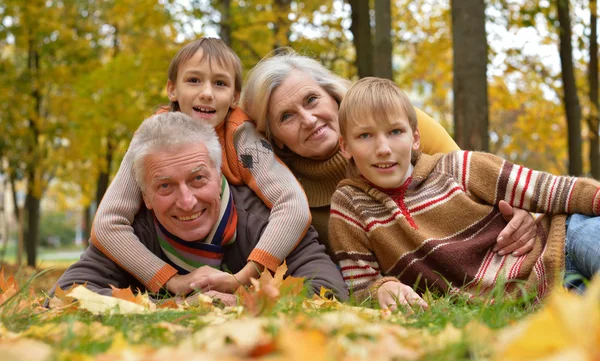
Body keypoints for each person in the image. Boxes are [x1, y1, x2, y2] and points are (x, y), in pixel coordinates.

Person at [328, 77, 600, 310]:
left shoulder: (457, 167)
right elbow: (361, 284)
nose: (383, 148)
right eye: (365, 136)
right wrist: (382, 289)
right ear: (345, 146)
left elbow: (545, 188)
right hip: (548, 295)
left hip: (563, 243)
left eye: (395, 132)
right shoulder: (351, 206)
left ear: (415, 138)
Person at [241, 48, 537, 255]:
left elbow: (477, 178)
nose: (308, 120)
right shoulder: (282, 190)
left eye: (311, 100)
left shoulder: (399, 124)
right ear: (276, 138)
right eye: (286, 117)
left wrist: (522, 212)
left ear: (333, 97)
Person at [90, 38, 312, 296]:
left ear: (234, 97)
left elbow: (293, 204)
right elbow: (108, 223)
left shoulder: (242, 136)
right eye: (194, 80)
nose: (206, 92)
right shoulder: (151, 139)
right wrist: (169, 280)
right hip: (166, 239)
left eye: (220, 83)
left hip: (238, 240)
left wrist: (245, 278)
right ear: (172, 89)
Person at [51, 112, 348, 302]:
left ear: (219, 175)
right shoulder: (132, 234)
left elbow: (328, 287)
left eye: (198, 179)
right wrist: (172, 305)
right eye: (165, 186)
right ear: (146, 196)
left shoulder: (266, 220)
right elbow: (66, 293)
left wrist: (243, 299)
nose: (187, 201)